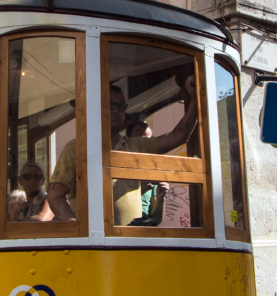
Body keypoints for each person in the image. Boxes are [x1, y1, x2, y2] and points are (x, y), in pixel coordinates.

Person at [46, 79, 197, 225]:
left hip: (132, 241)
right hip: (95, 243)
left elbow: (177, 137)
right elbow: (55, 196)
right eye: (109, 105)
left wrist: (196, 99)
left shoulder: (134, 145)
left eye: (120, 106)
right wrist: (78, 228)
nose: (116, 110)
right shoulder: (77, 148)